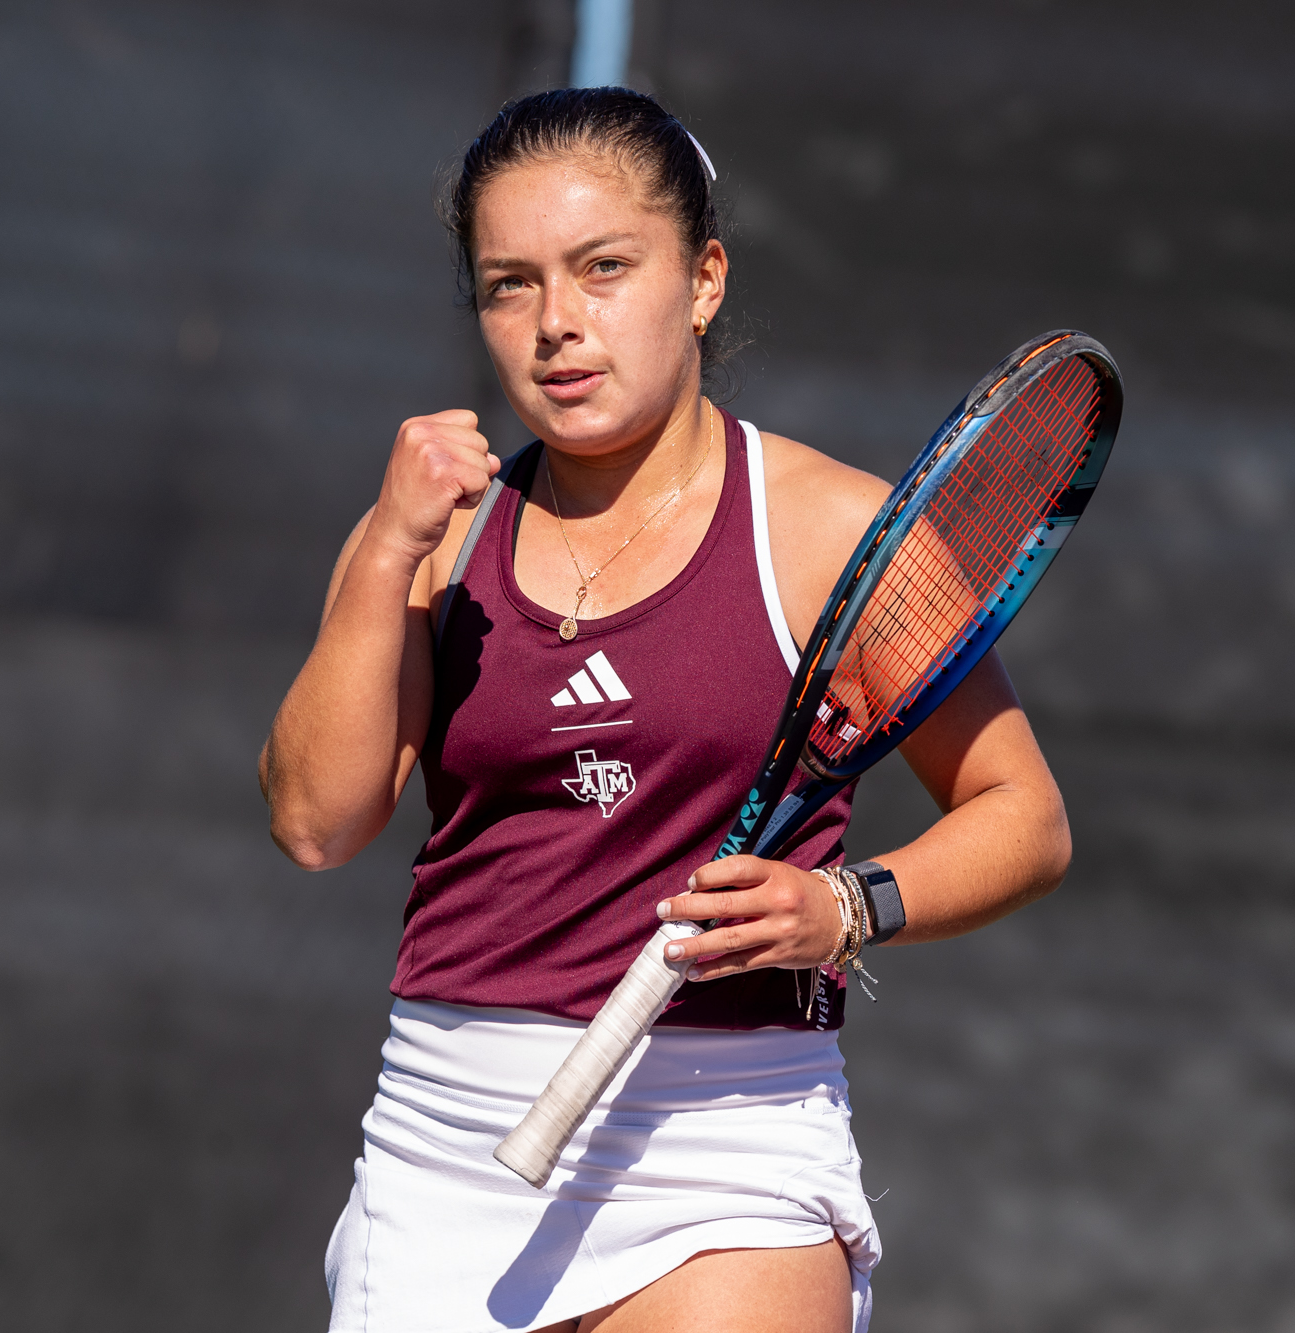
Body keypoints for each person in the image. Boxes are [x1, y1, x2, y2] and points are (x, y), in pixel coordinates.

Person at [261, 87, 1071, 1333]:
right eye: (507, 285)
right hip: (445, 1145)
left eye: (601, 269)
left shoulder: (829, 531)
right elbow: (314, 822)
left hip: (731, 1151)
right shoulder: (429, 536)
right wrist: (382, 556)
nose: (556, 327)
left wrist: (846, 904)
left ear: (700, 280)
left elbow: (1024, 818)